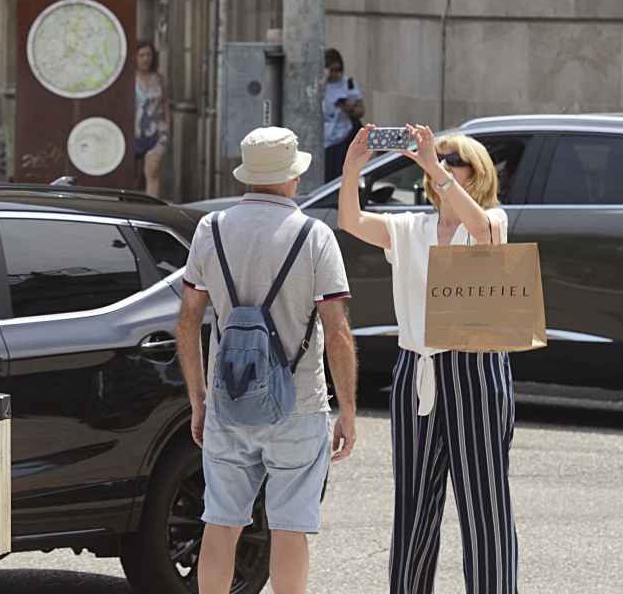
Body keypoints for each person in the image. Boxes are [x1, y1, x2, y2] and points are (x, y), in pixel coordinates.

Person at [337, 124, 518, 594]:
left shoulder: (494, 219)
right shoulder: (412, 225)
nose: (440, 163)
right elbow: (352, 222)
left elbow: (480, 230)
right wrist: (352, 168)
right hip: (416, 369)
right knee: (414, 504)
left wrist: (433, 167)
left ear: (475, 173)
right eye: (439, 158)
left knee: (484, 501)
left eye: (453, 159)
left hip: (475, 367)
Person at [175, 126, 357, 594]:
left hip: (228, 401)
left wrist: (198, 400)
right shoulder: (315, 237)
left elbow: (188, 322)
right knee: (290, 526)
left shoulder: (210, 229)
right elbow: (337, 333)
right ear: (292, 178)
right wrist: (348, 411)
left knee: (220, 523)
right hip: (298, 404)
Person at [134, 41, 171, 196]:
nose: (145, 59)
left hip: (157, 131)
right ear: (135, 57)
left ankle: (151, 205)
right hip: (133, 132)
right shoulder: (129, 78)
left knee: (153, 169)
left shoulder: (159, 78)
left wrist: (168, 128)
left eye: (148, 55)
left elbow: (166, 104)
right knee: (134, 175)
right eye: (141, 55)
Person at [322, 48, 365, 181]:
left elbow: (361, 109)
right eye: (332, 70)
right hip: (324, 136)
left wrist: (348, 108)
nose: (336, 74)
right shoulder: (320, 84)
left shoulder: (348, 83)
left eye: (338, 70)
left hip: (344, 134)